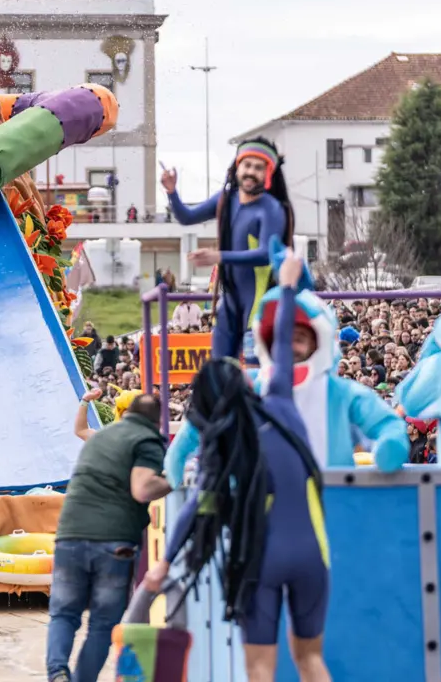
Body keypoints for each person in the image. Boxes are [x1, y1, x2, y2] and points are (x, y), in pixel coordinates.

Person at [146, 254, 331, 682]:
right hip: (313, 555)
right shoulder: (281, 398)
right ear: (247, 385)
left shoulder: (222, 448)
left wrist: (164, 563)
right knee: (310, 660)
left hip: (260, 561)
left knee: (260, 667)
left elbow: (194, 509)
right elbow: (280, 346)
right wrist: (287, 286)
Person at [45, 393, 170, 682]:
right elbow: (142, 488)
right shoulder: (147, 440)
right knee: (102, 623)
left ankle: (57, 672)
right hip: (114, 542)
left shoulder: (100, 437)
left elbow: (79, 430)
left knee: (63, 614)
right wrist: (174, 480)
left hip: (70, 535)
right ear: (158, 421)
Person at [163, 138, 294, 360]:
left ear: (269, 173)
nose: (251, 172)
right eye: (247, 165)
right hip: (230, 303)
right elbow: (187, 217)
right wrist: (172, 192)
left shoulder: (271, 209)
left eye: (259, 168)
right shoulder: (225, 199)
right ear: (237, 167)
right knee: (221, 367)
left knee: (256, 371)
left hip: (259, 305)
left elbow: (266, 255)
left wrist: (218, 256)